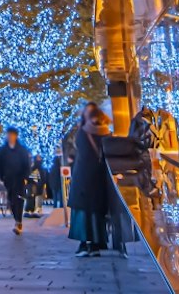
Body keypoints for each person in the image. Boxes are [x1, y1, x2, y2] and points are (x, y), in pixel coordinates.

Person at [69, 108, 114, 257]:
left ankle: (84, 244)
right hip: (100, 178)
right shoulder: (107, 133)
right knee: (97, 212)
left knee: (83, 212)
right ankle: (96, 244)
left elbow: (80, 152)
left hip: (83, 176)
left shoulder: (82, 133)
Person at [0, 127, 35, 235]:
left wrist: (26, 177)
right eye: (9, 135)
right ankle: (16, 219)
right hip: (8, 179)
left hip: (20, 179)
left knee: (19, 200)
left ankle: (19, 221)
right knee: (12, 201)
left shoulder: (22, 150)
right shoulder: (3, 150)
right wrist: (2, 176)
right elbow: (0, 164)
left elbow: (26, 165)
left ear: (16, 136)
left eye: (12, 135)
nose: (10, 137)